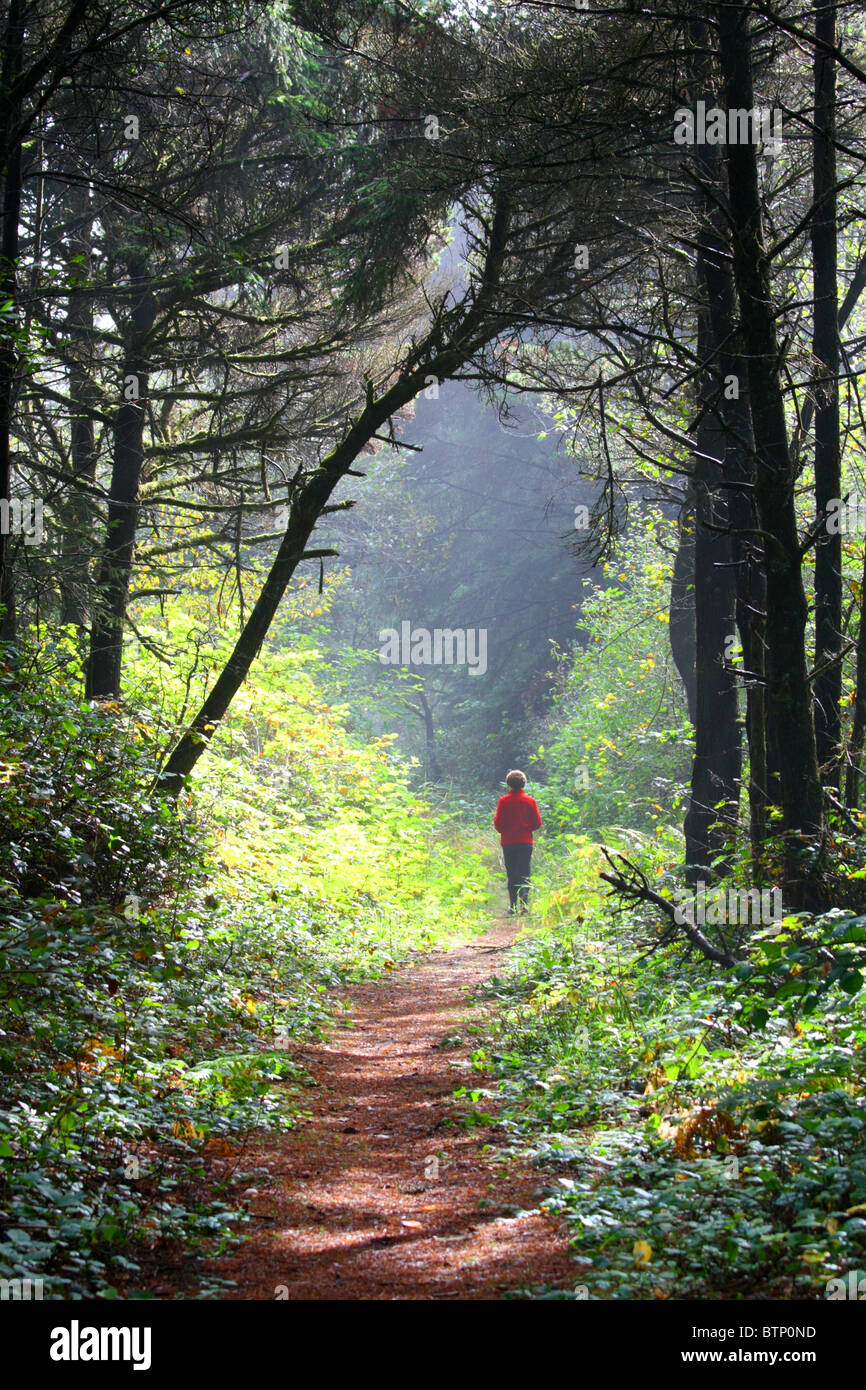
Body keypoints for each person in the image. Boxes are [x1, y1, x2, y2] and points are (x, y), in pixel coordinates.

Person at [493, 769, 542, 914]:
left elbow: (498, 823)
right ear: (524, 783)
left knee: (512, 872)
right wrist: (526, 828)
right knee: (524, 872)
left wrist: (506, 830)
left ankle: (512, 906)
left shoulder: (503, 801)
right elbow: (537, 823)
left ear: (508, 783)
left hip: (508, 842)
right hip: (525, 842)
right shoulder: (530, 801)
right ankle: (525, 905)